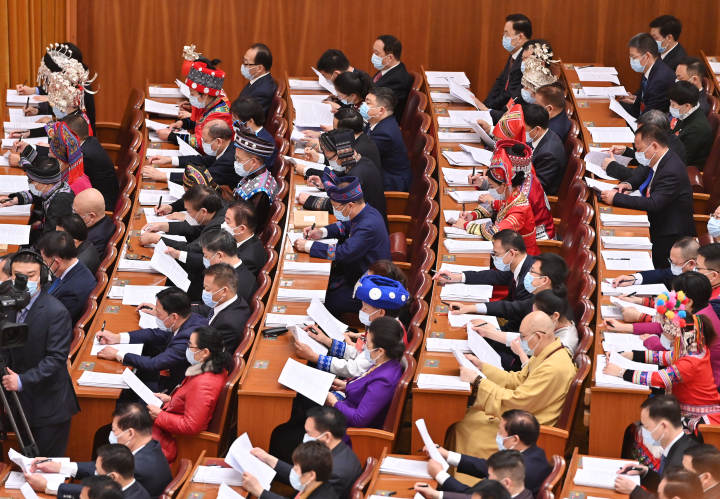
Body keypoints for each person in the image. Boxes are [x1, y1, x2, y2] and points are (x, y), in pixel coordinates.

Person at [450, 311, 576, 459]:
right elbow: (518, 380)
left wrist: (478, 381)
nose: (520, 340)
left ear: (539, 336)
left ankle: (471, 478)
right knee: (468, 416)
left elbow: (517, 402)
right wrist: (482, 367)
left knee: (464, 428)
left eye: (523, 336)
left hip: (527, 433)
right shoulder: (549, 351)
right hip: (524, 416)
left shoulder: (553, 367)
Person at [0, 251, 79, 456]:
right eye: (19, 275)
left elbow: (56, 359)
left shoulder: (56, 312)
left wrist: (22, 380)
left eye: (31, 275)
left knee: (43, 470)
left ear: (42, 277)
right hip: (17, 404)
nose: (25, 281)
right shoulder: (6, 306)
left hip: (48, 407)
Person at [603, 288, 720, 426]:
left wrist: (620, 372)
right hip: (683, 406)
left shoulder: (690, 362)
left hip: (697, 418)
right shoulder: (692, 348)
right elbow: (663, 357)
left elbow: (657, 379)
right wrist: (627, 355)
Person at [293, 174, 390, 316]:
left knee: (324, 300)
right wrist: (321, 232)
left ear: (350, 205)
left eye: (336, 207)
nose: (335, 210)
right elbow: (344, 226)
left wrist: (309, 246)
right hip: (354, 273)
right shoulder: (365, 211)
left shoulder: (368, 226)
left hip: (368, 288)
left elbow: (342, 253)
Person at [600, 124, 695, 269]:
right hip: (656, 221)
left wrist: (616, 198)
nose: (637, 153)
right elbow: (643, 172)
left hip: (669, 233)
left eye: (639, 150)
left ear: (654, 146)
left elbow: (654, 203)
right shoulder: (659, 157)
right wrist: (627, 184)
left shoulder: (672, 170)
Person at [29, 403, 172, 498]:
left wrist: (48, 486)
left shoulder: (139, 467)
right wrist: (59, 467)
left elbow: (97, 492)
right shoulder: (150, 447)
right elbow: (102, 468)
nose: (113, 435)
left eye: (115, 431)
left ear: (130, 433)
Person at [293, 274, 410, 377]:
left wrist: (315, 357)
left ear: (381, 312)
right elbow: (360, 353)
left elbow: (354, 369)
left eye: (365, 308)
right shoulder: (386, 327)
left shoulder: (385, 337)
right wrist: (326, 340)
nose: (361, 310)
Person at [95, 287, 207, 393]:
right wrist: (117, 337)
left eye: (158, 313)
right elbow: (155, 334)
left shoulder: (186, 340)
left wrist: (117, 354)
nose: (156, 315)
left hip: (176, 388)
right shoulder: (191, 318)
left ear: (173, 317)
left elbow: (153, 363)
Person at [150, 326, 232, 462]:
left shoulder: (203, 383)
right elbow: (193, 400)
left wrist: (159, 415)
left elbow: (191, 426)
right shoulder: (211, 367)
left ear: (205, 352)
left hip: (179, 441)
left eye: (190, 346)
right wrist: (170, 399)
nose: (187, 349)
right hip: (172, 417)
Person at [429, 410, 551, 497]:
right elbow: (485, 466)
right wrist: (447, 454)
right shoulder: (535, 453)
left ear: (515, 439)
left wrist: (440, 475)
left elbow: (472, 496)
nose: (497, 434)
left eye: (500, 431)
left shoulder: (520, 471)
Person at [252, 407, 362, 499]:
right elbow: (300, 475)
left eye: (309, 433)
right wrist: (268, 459)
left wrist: (260, 492)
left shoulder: (333, 473)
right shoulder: (341, 450)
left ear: (327, 436)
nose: (305, 436)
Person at [452, 142, 539, 255]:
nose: (492, 189)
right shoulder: (513, 196)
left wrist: (465, 225)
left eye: (492, 186)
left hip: (518, 258)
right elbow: (498, 205)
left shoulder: (519, 211)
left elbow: (493, 232)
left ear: (504, 185)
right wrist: (473, 215)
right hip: (506, 251)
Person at [435, 229, 534, 327]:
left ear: (512, 253)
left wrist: (489, 332)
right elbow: (494, 276)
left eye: (496, 254)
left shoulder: (530, 281)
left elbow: (515, 313)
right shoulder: (520, 263)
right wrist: (457, 277)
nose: (494, 257)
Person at [325, 316, 404, 428]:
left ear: (380, 351)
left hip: (350, 431)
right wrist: (345, 386)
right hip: (347, 407)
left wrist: (334, 402)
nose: (365, 347)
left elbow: (359, 420)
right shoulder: (383, 361)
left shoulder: (385, 381)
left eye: (368, 344)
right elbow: (366, 386)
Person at [613, 395, 699, 496]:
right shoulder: (679, 444)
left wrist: (634, 491)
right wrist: (645, 472)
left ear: (663, 426)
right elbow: (665, 486)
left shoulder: (683, 462)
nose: (643, 432)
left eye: (646, 427)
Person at [299, 129, 387, 221]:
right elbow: (342, 178)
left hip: (367, 226)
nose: (329, 162)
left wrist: (309, 200)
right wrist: (324, 183)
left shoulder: (358, 174)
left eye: (329, 158)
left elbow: (342, 205)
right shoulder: (360, 160)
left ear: (341, 154)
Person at [141, 185, 226, 274]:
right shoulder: (216, 206)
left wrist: (157, 239)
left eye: (188, 212)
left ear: (203, 212)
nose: (187, 215)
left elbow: (191, 249)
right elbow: (195, 229)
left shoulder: (218, 227)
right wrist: (163, 226)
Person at [17, 42, 96, 129]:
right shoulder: (64, 84)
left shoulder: (80, 90)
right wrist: (38, 110)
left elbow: (73, 131)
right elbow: (58, 107)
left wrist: (51, 123)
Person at [27, 444, 151, 499]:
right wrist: (58, 466)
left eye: (97, 471)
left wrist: (47, 486)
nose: (94, 473)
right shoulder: (123, 481)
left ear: (112, 476)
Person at [159, 60, 232, 152]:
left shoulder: (220, 116)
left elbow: (202, 143)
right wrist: (183, 123)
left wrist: (171, 136)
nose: (190, 97)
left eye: (192, 94)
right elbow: (201, 122)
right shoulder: (209, 102)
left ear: (205, 95)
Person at [0, 157, 74, 243]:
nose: (30, 184)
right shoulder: (56, 187)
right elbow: (36, 195)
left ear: (46, 183)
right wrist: (14, 200)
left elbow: (51, 237)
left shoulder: (60, 203)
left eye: (32, 181)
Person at [146, 119, 239, 187]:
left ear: (218, 142)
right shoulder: (226, 147)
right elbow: (203, 160)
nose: (203, 144)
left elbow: (201, 178)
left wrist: (163, 176)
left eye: (205, 141)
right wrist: (170, 160)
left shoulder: (229, 159)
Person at [603, 109, 688, 181]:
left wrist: (611, 166)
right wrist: (626, 151)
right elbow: (645, 161)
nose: (638, 135)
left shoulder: (666, 151)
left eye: (642, 132)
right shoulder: (666, 139)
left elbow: (639, 176)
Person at [36, 230, 96, 323]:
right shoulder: (74, 268)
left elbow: (52, 321)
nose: (44, 265)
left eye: (45, 261)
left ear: (57, 262)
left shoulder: (73, 292)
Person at [243, 441, 338, 499]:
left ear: (311, 475)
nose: (293, 469)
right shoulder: (318, 479)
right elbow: (292, 474)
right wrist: (268, 458)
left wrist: (259, 491)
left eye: (297, 467)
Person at [300, 107, 382, 172]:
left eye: (335, 130)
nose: (332, 132)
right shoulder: (358, 138)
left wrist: (306, 170)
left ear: (345, 132)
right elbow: (339, 164)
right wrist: (318, 158)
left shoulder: (357, 150)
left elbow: (338, 175)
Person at [65, 114, 119, 210]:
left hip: (100, 205)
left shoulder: (85, 155)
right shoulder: (90, 141)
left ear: (74, 137)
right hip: (98, 196)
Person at [364, 86, 413, 191]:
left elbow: (360, 155)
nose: (363, 106)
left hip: (390, 184)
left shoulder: (384, 133)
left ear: (381, 110)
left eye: (368, 103)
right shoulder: (376, 121)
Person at [196, 263, 250, 353]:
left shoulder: (227, 325)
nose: (204, 292)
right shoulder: (235, 299)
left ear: (224, 291)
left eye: (207, 289)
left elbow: (205, 354)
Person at [618, 32, 675, 117]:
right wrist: (634, 98)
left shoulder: (660, 79)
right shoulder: (651, 68)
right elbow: (645, 98)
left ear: (647, 56)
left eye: (634, 57)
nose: (631, 61)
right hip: (643, 113)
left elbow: (649, 116)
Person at [232, 126, 279, 228]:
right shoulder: (255, 173)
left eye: (239, 159)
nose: (236, 163)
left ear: (253, 162)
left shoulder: (260, 192)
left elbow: (245, 225)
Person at [613, 236, 698, 292]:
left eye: (675, 263)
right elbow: (661, 274)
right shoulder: (681, 268)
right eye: (671, 261)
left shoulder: (698, 285)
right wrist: (632, 278)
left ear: (691, 264)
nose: (672, 265)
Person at [483, 14, 531, 110]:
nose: (503, 37)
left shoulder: (526, 59)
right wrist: (485, 105)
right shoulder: (514, 54)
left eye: (506, 34)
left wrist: (487, 109)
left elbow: (510, 93)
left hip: (508, 113)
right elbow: (500, 82)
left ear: (520, 37)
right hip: (497, 109)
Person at [198, 230, 257, 303]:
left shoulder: (234, 286)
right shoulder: (237, 270)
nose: (204, 258)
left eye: (206, 256)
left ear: (219, 256)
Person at [668, 80, 712, 169]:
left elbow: (682, 158)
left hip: (685, 169)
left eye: (673, 105)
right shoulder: (685, 112)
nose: (671, 108)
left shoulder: (698, 129)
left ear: (687, 105)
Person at [523, 103, 566, 196]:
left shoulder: (548, 154)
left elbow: (535, 188)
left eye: (524, 129)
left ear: (537, 129)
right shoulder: (544, 134)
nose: (523, 132)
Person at [370, 34, 413, 119]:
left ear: (389, 57)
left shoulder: (398, 80)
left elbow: (376, 106)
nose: (373, 56)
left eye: (376, 53)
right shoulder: (386, 69)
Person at [44, 119, 92, 193]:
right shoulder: (69, 170)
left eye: (52, 159)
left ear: (60, 159)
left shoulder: (71, 186)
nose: (49, 150)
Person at [230, 97, 277, 169]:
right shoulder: (244, 133)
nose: (233, 123)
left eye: (235, 120)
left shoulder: (265, 143)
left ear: (250, 121)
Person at [222, 199, 267, 275]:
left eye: (228, 222)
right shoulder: (242, 237)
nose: (223, 224)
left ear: (241, 229)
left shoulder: (247, 260)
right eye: (225, 219)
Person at [237, 43, 277, 116]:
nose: (243, 66)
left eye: (246, 63)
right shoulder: (257, 81)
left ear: (259, 68)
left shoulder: (262, 91)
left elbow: (246, 119)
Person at [73, 188, 115, 256]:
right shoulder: (105, 220)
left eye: (76, 214)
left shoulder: (91, 242)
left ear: (91, 216)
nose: (73, 216)